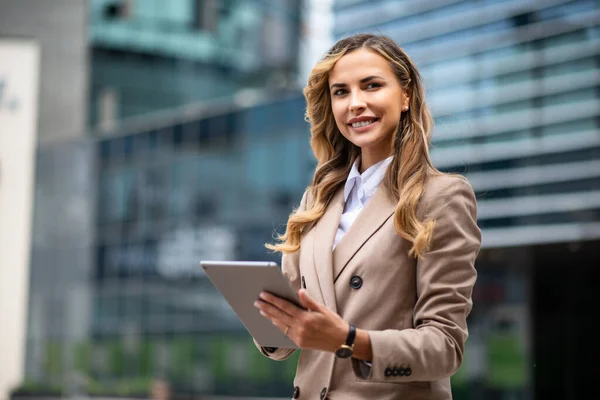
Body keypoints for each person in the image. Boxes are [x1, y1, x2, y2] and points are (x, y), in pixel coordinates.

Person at [253, 33, 481, 400]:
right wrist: (269, 316)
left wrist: (350, 341)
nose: (355, 103)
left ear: (406, 95)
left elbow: (444, 348)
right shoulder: (318, 199)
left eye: (371, 86)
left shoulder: (441, 197)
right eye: (341, 92)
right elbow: (286, 343)